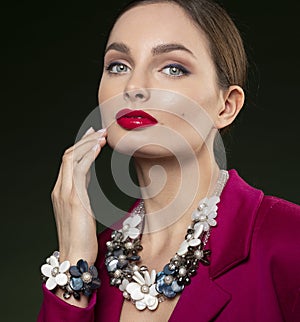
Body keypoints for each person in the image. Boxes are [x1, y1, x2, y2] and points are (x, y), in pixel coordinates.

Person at [37, 0, 300, 321]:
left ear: (226, 105)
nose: (133, 87)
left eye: (173, 68)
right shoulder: (91, 264)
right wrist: (74, 266)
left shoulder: (288, 240)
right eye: (118, 66)